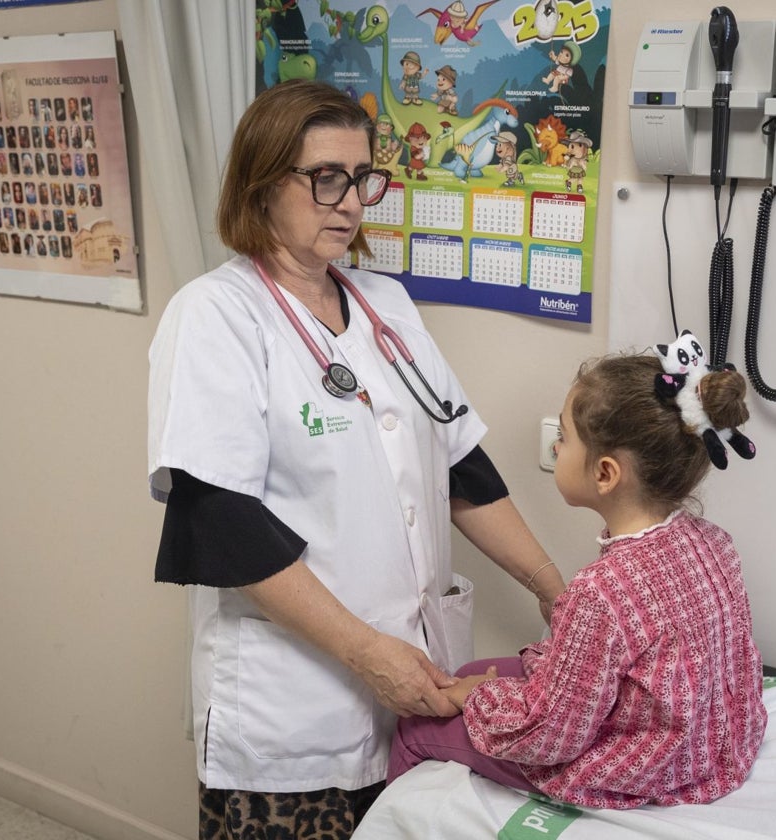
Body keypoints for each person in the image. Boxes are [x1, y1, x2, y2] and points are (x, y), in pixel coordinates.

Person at [147, 79, 563, 840]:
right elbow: (219, 522)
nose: (350, 202)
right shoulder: (215, 316)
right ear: (262, 183)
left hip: (414, 687)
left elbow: (460, 468)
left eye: (361, 177)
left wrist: (555, 591)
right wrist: (368, 653)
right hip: (293, 708)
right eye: (324, 178)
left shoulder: (385, 306)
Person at [387, 348, 768, 809]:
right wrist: (482, 686)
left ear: (605, 474)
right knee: (465, 675)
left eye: (564, 439)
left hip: (650, 761)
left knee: (416, 728)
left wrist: (481, 700)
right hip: (709, 744)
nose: (555, 448)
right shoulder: (713, 543)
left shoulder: (600, 593)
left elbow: (552, 737)